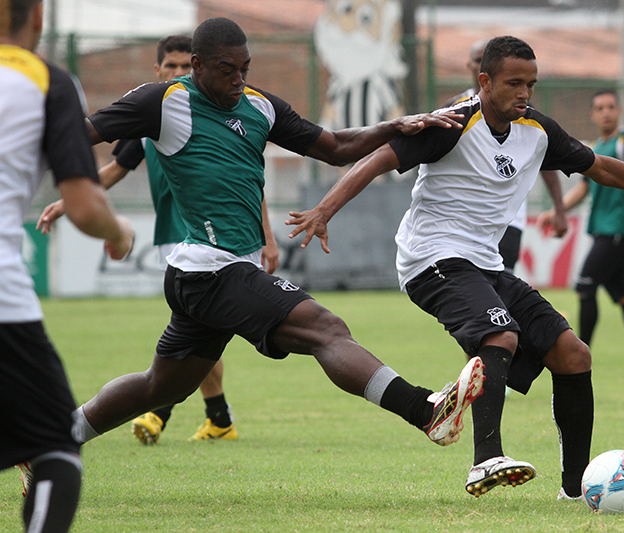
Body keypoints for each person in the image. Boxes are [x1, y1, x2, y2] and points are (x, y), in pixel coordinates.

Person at [287, 35, 624, 499]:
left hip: (485, 263)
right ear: (484, 81)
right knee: (499, 334)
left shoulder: (537, 129)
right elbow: (378, 159)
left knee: (573, 354)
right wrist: (324, 210)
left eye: (531, 84)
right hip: (431, 258)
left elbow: (601, 167)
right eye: (514, 83)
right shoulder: (454, 123)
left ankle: (577, 489)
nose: (524, 93)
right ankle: (485, 460)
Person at [68, 18, 486, 477]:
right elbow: (78, 134)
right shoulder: (164, 100)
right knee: (325, 327)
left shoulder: (259, 106)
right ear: (198, 65)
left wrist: (396, 125)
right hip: (211, 270)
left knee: (158, 389)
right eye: (227, 70)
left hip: (208, 274)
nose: (238, 79)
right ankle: (427, 412)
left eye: (245, 68)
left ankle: (56, 438)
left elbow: (337, 146)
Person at [37, 35, 246, 444]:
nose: (180, 74)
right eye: (172, 67)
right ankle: (217, 419)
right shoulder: (154, 117)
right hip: (175, 233)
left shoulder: (215, 115)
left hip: (210, 236)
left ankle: (163, 412)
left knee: (198, 331)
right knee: (201, 331)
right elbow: (115, 169)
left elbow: (244, 184)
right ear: (158, 71)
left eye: (188, 66)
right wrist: (71, 198)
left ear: (199, 67)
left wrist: (267, 239)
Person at [1, 0, 134, 530]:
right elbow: (83, 205)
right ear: (37, 18)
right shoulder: (45, 82)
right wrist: (119, 232)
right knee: (55, 448)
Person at [538, 89, 624, 366]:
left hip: (618, 228)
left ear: (619, 111)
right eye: (600, 108)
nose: (606, 112)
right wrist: (556, 210)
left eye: (610, 107)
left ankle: (579, 352)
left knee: (585, 286)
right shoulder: (594, 147)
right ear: (593, 114)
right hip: (603, 228)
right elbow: (583, 188)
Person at [446, 38, 567, 272]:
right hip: (465, 219)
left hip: (508, 217)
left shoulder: (520, 113)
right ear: (470, 67)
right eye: (477, 60)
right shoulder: (453, 110)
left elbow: (545, 159)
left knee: (501, 282)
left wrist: (559, 209)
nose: (482, 64)